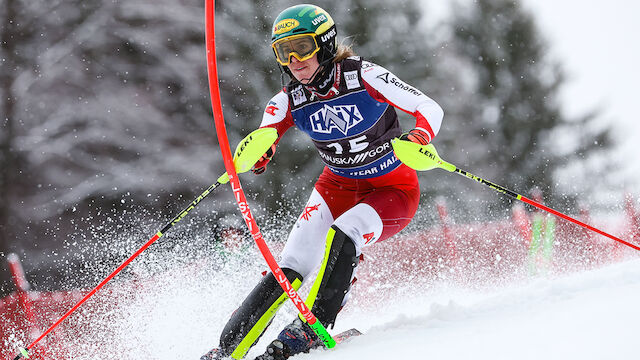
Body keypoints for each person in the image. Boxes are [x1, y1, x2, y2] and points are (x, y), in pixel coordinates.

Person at [201, 4, 444, 360]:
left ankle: (312, 330)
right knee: (291, 264)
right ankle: (227, 350)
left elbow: (429, 107)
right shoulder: (289, 99)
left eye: (303, 47)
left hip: (392, 190)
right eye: (284, 52)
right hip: (337, 188)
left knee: (345, 234)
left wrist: (419, 135)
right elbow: (264, 135)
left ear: (326, 44)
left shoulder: (364, 76)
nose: (295, 60)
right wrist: (261, 152)